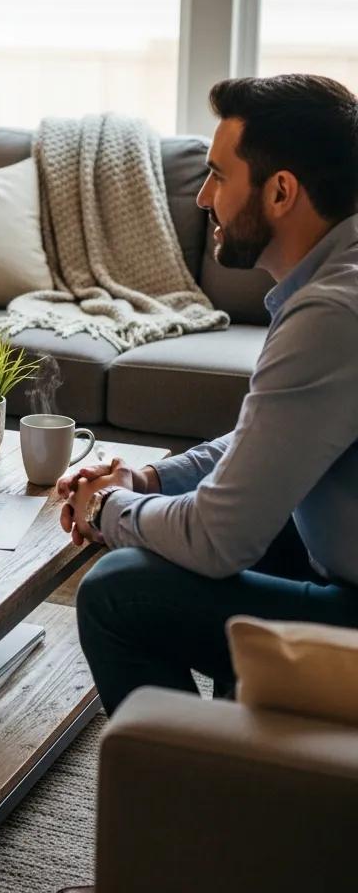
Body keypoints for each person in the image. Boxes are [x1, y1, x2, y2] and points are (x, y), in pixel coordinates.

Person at [60, 74, 358, 716]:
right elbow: (269, 441)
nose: (202, 198)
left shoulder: (333, 315)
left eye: (220, 176)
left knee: (117, 589)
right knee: (247, 514)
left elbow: (218, 538)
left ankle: (190, 794)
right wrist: (150, 479)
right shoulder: (340, 279)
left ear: (281, 191)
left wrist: (106, 508)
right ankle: (232, 744)